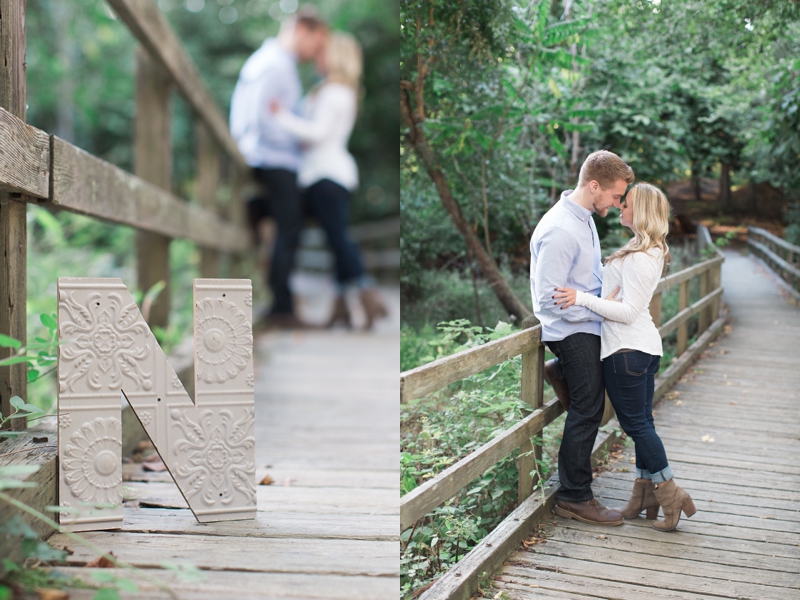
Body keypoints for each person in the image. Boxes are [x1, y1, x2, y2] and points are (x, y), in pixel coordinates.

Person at [553, 183, 697, 532]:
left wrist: (582, 298)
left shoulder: (640, 256)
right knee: (641, 424)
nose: (620, 206)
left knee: (637, 426)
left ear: (643, 211)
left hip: (626, 352)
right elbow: (624, 302)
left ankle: (669, 491)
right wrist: (605, 297)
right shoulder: (642, 250)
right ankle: (644, 493)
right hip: (637, 350)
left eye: (627, 203)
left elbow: (630, 311)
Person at [529, 150, 634, 526]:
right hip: (570, 329)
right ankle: (574, 496)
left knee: (594, 401)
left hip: (587, 323)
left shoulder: (585, 217)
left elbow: (582, 280)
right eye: (616, 195)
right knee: (588, 407)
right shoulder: (561, 229)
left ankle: (560, 371)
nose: (618, 202)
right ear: (594, 186)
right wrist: (596, 308)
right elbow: (546, 299)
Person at [270, 32, 388, 329]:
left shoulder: (336, 92)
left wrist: (281, 117)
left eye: (324, 53)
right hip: (321, 174)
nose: (317, 58)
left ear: (335, 57)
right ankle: (342, 305)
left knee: (337, 238)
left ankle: (368, 294)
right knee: (336, 239)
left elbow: (318, 133)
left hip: (327, 174)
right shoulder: (333, 90)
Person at [229, 9, 328, 328]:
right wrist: (296, 141)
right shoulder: (274, 64)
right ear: (302, 30)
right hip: (273, 157)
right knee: (291, 227)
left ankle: (257, 209)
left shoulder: (275, 61)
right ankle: (281, 308)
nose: (316, 53)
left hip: (272, 156)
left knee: (294, 218)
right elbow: (260, 118)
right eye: (317, 43)